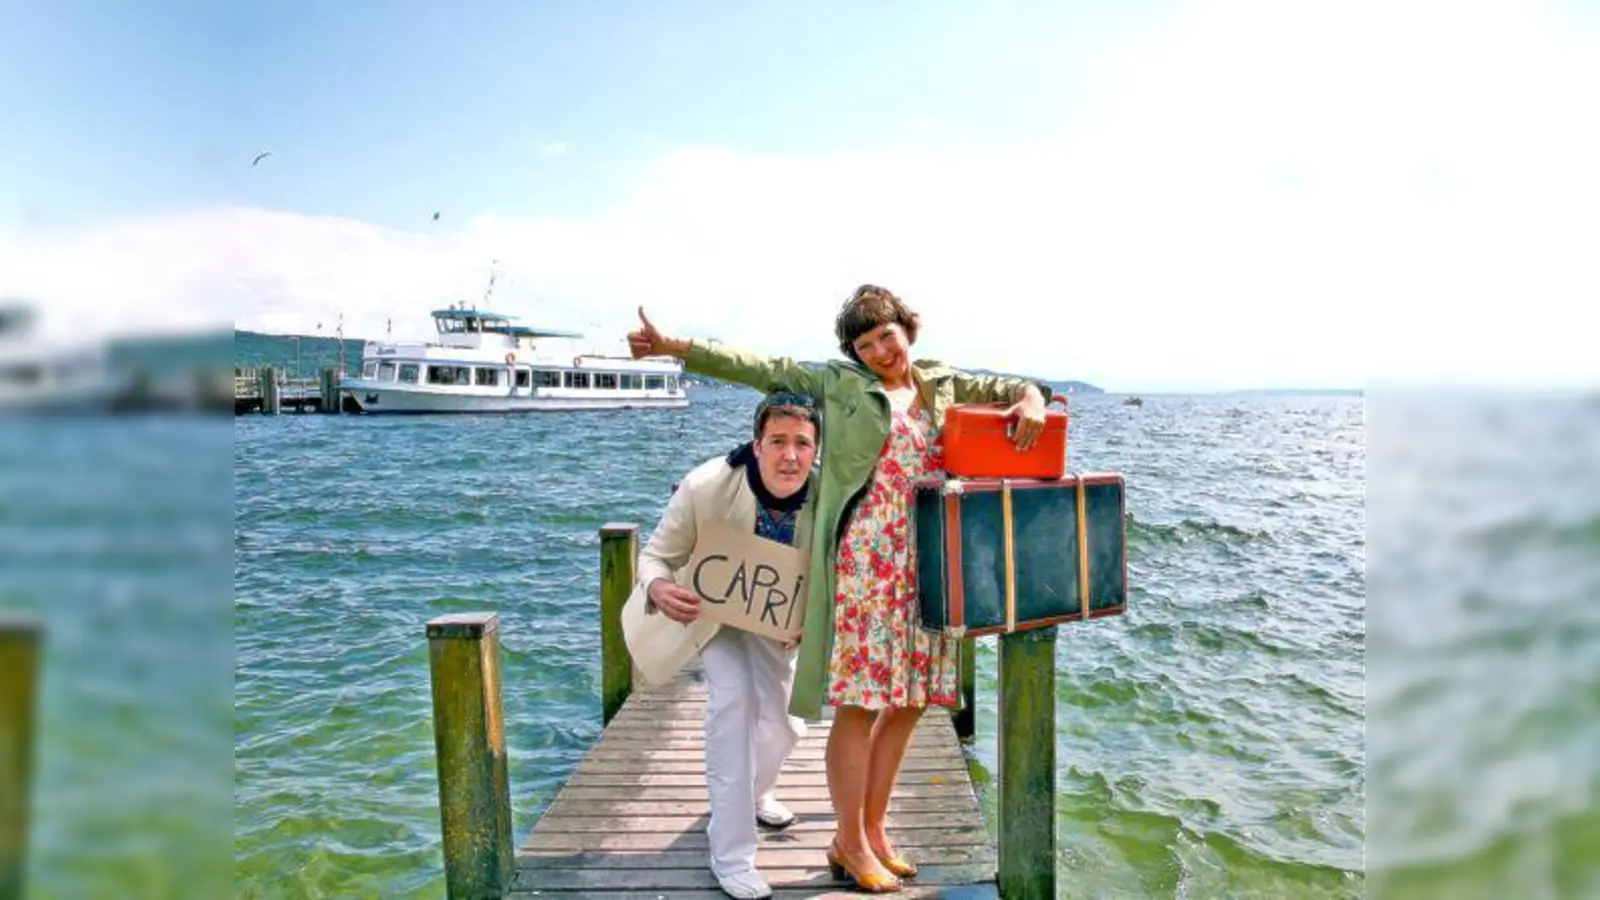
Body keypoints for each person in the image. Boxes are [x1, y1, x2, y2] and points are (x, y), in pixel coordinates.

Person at [628, 285, 1049, 893]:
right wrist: (677, 349)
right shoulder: (840, 383)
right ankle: (848, 840)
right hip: (866, 563)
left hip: (929, 559)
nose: (881, 350)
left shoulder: (939, 380)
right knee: (862, 701)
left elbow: (1009, 389)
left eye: (888, 335)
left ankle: (873, 832)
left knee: (911, 701)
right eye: (866, 343)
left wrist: (1031, 396)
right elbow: (762, 369)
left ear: (908, 327)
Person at [634, 393, 823, 900]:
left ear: (816, 450)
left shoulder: (828, 494)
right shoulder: (705, 485)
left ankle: (755, 793)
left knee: (788, 725)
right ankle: (732, 854)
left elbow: (837, 573)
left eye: (802, 443)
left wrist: (813, 621)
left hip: (779, 623)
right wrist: (657, 587)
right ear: (756, 444)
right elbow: (655, 556)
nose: (790, 455)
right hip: (713, 619)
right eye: (778, 441)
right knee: (733, 703)